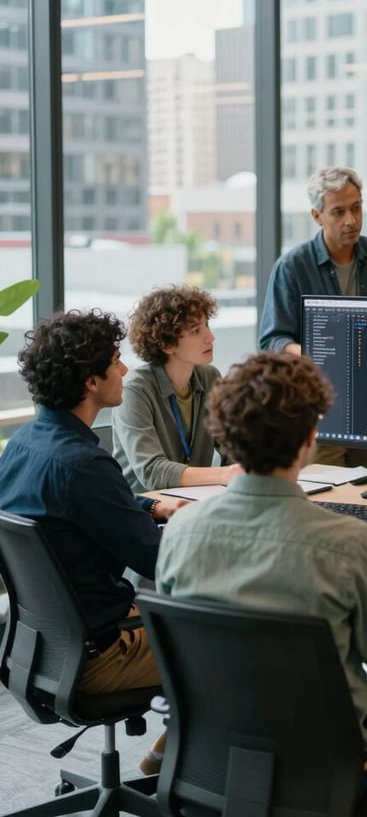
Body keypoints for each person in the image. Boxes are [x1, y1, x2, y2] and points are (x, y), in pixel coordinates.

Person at [155, 352, 367, 816]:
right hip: (326, 771)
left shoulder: (180, 530)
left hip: (214, 758)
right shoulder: (346, 542)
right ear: (309, 441)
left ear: (226, 436)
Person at [0, 310, 185, 771]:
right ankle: (191, 768)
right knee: (234, 638)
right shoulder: (84, 464)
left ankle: (169, 755)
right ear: (89, 382)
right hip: (100, 653)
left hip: (43, 645)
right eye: (116, 361)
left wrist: (147, 506)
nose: (124, 370)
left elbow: (70, 511)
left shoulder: (22, 446)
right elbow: (162, 561)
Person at [258, 166, 367, 469]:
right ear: (316, 216)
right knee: (322, 492)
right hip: (318, 406)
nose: (351, 220)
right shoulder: (292, 267)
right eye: (338, 212)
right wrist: (318, 357)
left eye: (356, 208)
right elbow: (273, 340)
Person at [112, 285, 242, 493]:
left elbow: (231, 449)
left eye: (207, 325)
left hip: (195, 501)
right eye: (195, 331)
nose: (210, 337)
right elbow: (152, 471)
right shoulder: (135, 391)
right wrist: (225, 475)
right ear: (166, 344)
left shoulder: (210, 377)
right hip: (146, 510)